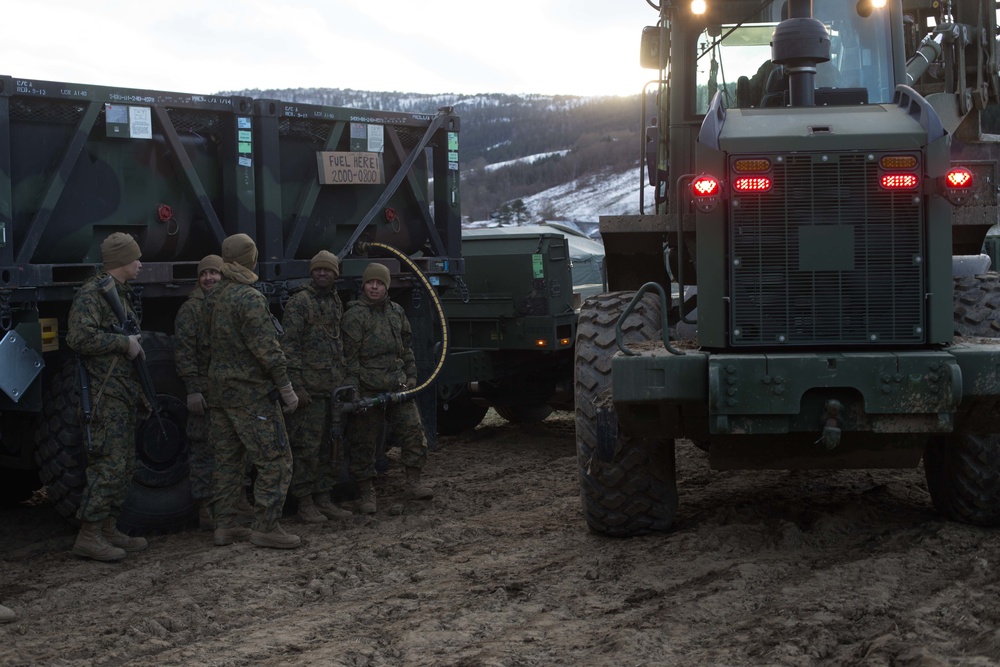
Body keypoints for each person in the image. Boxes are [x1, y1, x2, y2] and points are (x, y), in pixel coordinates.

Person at [207, 233, 301, 549]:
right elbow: (268, 351)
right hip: (251, 395)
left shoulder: (212, 296)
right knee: (276, 458)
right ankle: (266, 526)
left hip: (220, 393)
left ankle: (225, 525)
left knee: (228, 461)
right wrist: (287, 389)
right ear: (251, 260)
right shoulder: (249, 298)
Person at [66, 232, 150, 561]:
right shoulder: (93, 294)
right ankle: (89, 534)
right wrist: (123, 344)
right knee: (108, 467)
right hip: (104, 396)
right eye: (136, 258)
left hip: (120, 392)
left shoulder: (117, 294)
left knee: (124, 465)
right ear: (121, 262)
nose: (141, 263)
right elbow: (78, 337)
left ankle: (108, 527)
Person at [342, 262, 433, 514]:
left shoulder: (396, 312)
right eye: (370, 282)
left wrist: (411, 376)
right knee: (364, 444)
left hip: (397, 388)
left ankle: (413, 484)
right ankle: (366, 494)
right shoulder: (354, 316)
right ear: (363, 285)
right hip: (368, 392)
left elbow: (406, 348)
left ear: (386, 286)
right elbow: (349, 359)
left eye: (379, 283)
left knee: (414, 433)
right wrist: (355, 392)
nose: (374, 287)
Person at [174, 254, 253, 530]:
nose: (209, 278)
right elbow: (184, 354)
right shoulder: (191, 310)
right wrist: (193, 390)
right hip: (205, 394)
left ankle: (238, 503)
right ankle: (207, 510)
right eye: (204, 274)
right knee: (204, 450)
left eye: (214, 273)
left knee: (234, 449)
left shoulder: (223, 304)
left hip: (227, 392)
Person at [282, 250, 353, 523]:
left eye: (328, 270)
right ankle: (305, 502)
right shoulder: (300, 302)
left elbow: (339, 345)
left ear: (336, 274)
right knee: (306, 449)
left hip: (332, 391)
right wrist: (297, 387)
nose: (322, 274)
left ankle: (324, 498)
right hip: (309, 394)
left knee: (331, 447)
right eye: (318, 270)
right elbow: (289, 347)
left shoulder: (336, 301)